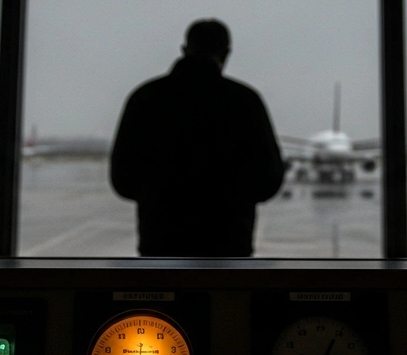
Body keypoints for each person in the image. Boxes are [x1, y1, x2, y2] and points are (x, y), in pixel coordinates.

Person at [110, 19, 286, 257]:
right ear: (225, 54)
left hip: (160, 244)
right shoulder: (245, 101)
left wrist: (158, 195)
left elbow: (122, 180)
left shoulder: (145, 98)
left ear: (184, 50)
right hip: (229, 244)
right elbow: (269, 181)